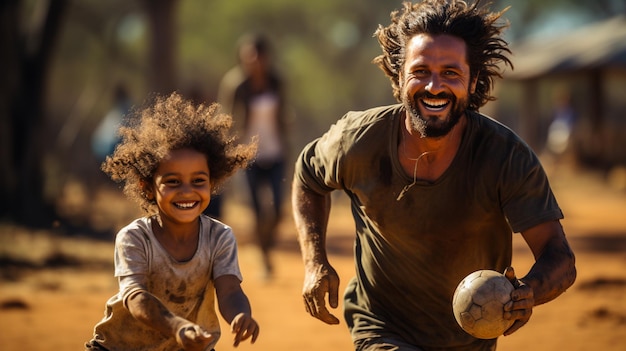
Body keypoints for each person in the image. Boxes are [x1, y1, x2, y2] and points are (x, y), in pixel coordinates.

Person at [291, 1, 577, 350]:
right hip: (381, 325)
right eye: (421, 70)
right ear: (399, 77)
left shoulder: (506, 157)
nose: (434, 86)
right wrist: (315, 262)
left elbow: (558, 256)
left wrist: (528, 292)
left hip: (470, 339)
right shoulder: (358, 141)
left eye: (451, 73)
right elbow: (308, 175)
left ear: (473, 82)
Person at [85, 93, 260, 351]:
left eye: (198, 180)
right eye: (173, 182)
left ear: (212, 183)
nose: (187, 191)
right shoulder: (134, 238)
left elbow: (230, 290)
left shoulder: (219, 237)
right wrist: (177, 326)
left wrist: (240, 314)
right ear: (147, 187)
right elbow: (135, 298)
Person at [218, 33, 290, 279]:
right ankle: (264, 258)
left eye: (258, 56)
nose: (254, 62)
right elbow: (226, 118)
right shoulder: (236, 85)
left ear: (266, 57)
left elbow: (284, 115)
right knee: (258, 210)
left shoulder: (276, 82)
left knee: (279, 207)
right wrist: (229, 149)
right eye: (248, 57)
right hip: (248, 155)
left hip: (276, 151)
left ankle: (268, 243)